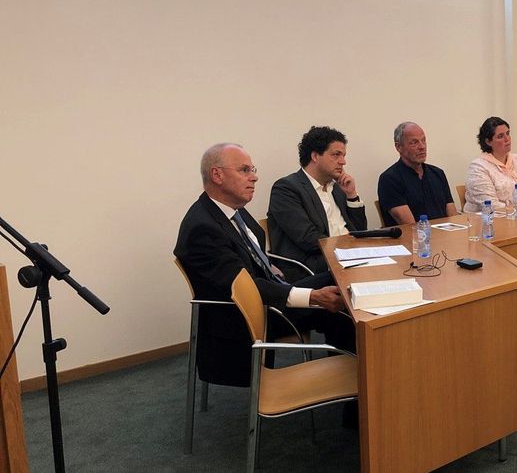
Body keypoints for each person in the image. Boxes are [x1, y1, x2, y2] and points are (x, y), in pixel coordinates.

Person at [174, 143, 355, 387]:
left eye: (253, 169)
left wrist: (268, 263)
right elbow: (244, 287)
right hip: (247, 316)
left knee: (339, 279)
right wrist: (312, 297)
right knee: (341, 307)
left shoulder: (230, 210)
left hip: (267, 293)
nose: (255, 177)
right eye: (245, 170)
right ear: (217, 175)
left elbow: (246, 251)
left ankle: (351, 384)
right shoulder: (203, 228)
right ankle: (356, 395)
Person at [268, 126, 368, 274]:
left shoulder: (338, 188)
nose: (343, 162)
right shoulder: (286, 189)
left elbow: (360, 231)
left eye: (344, 155)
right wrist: (349, 250)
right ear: (315, 156)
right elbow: (309, 239)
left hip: (350, 259)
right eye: (336, 155)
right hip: (315, 267)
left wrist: (351, 195)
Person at [377, 122, 458, 226]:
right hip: (413, 239)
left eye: (423, 140)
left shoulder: (438, 173)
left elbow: (453, 217)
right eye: (414, 142)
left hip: (444, 237)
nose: (422, 147)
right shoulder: (389, 179)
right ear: (399, 147)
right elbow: (410, 226)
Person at [464, 116, 517, 213]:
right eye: (500, 136)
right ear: (488, 142)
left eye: (508, 133)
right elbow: (492, 206)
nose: (507, 139)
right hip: (494, 222)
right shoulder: (478, 168)